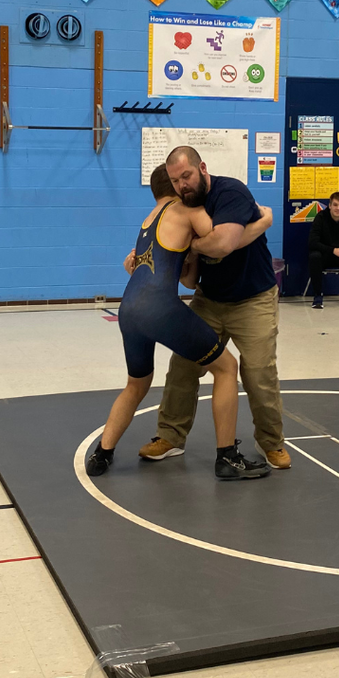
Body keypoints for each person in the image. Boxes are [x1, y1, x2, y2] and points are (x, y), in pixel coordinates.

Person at [87, 164, 272, 482]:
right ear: (174, 188)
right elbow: (223, 240)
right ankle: (227, 457)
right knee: (226, 368)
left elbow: (187, 278)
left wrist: (190, 255)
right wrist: (263, 221)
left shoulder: (148, 221)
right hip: (160, 309)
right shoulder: (187, 209)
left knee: (136, 385)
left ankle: (102, 454)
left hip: (129, 310)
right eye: (180, 181)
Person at [138, 146, 292, 470]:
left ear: (202, 168)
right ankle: (170, 436)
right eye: (176, 181)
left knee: (259, 372)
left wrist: (192, 246)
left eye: (187, 176)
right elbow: (190, 281)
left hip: (253, 298)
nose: (183, 185)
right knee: (183, 364)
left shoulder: (230, 192)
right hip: (209, 299)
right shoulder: (183, 208)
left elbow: (223, 243)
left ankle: (271, 442)